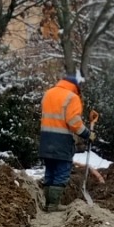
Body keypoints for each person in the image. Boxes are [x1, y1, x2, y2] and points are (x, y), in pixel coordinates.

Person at [38, 71, 85, 210]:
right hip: (62, 141)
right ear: (75, 87)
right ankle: (54, 205)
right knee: (61, 173)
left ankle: (48, 204)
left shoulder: (48, 93)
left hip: (46, 139)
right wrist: (87, 134)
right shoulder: (72, 97)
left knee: (50, 171)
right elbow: (74, 122)